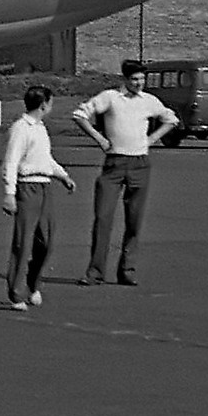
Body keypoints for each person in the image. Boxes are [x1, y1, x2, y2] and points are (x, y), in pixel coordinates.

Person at [72, 59, 179, 286]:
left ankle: (127, 270)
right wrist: (99, 138)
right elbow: (80, 115)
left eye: (142, 79)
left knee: (134, 220)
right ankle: (95, 272)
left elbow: (171, 119)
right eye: (134, 79)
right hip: (114, 163)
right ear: (125, 79)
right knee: (103, 217)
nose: (139, 83)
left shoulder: (149, 101)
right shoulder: (110, 97)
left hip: (140, 163)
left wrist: (152, 139)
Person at [1, 85, 75, 310]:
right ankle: (16, 292)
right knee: (23, 242)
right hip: (27, 187)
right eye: (51, 102)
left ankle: (33, 284)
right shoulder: (21, 128)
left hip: (45, 186)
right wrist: (9, 194)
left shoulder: (41, 128)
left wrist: (63, 176)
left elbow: (45, 159)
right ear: (44, 104)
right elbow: (11, 162)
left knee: (46, 241)